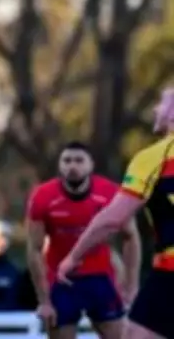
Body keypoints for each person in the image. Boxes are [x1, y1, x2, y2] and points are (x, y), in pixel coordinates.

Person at [58, 89, 174, 339]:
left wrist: (74, 256)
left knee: (137, 335)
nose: (156, 109)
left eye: (162, 104)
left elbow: (112, 219)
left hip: (171, 272)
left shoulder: (155, 158)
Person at [26, 141, 140, 339]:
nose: (72, 166)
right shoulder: (43, 196)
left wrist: (131, 284)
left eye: (79, 161)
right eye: (67, 161)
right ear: (59, 165)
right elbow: (34, 249)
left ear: (91, 165)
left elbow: (131, 236)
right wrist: (44, 300)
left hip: (101, 277)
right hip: (61, 281)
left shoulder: (110, 193)